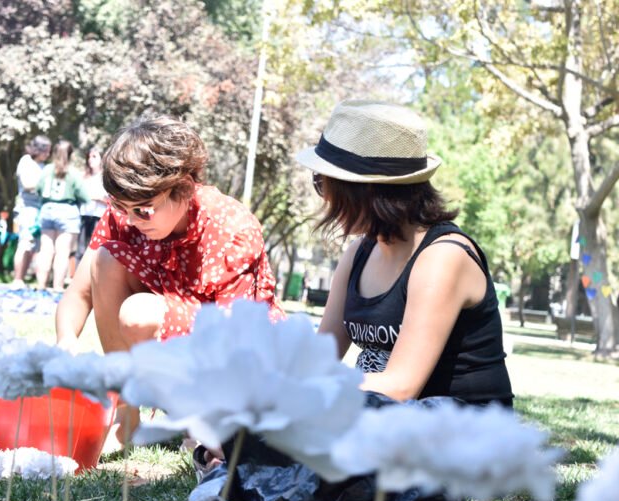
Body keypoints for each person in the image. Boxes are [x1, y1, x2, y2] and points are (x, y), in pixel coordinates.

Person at [56, 115, 282, 448]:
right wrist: (65, 341)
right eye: (120, 207)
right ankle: (126, 411)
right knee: (106, 259)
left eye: (143, 210)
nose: (130, 220)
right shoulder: (127, 212)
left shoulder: (231, 226)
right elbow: (79, 290)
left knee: (140, 313)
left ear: (185, 188)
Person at [295, 100, 513, 407]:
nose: (324, 196)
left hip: (460, 432)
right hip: (389, 420)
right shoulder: (359, 253)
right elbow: (320, 359)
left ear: (365, 190)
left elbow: (399, 387)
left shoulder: (442, 258)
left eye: (324, 182)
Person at [36, 140, 89, 292]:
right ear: (71, 155)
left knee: (45, 250)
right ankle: (57, 287)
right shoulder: (73, 173)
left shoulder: (47, 170)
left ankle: (41, 286)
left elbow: (38, 189)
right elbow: (84, 196)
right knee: (63, 252)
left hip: (47, 210)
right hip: (67, 212)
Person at [10, 135, 52, 289]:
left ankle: (22, 278)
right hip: (27, 208)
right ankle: (17, 279)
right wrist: (46, 187)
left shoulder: (43, 166)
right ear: (38, 150)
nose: (48, 154)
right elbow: (28, 184)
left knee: (32, 246)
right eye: (46, 151)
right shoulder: (26, 161)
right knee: (25, 242)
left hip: (40, 209)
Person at [77, 146, 109, 263]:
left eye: (94, 156)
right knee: (81, 249)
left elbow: (112, 200)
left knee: (96, 249)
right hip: (84, 215)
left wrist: (98, 198)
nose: (90, 159)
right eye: (89, 157)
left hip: (99, 216)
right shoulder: (83, 176)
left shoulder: (106, 177)